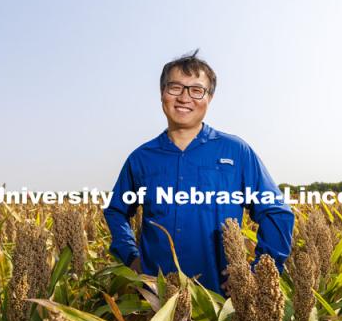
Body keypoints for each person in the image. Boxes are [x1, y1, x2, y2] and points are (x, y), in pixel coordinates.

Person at [103, 50, 294, 296]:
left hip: (220, 299)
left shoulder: (236, 152)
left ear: (209, 97)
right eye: (175, 88)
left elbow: (276, 212)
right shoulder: (141, 158)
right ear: (162, 93)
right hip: (158, 297)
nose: (184, 97)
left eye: (196, 90)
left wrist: (260, 272)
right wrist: (131, 257)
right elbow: (116, 210)